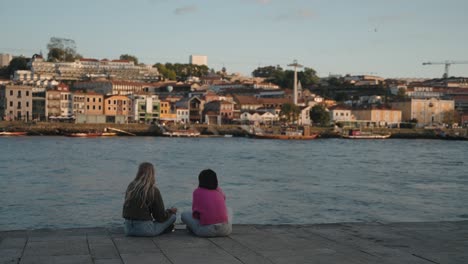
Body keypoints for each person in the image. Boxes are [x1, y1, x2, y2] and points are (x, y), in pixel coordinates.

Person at [122, 162, 177, 236]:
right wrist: (170, 211)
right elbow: (160, 217)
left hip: (128, 229)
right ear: (152, 174)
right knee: (173, 217)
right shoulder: (153, 190)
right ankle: (165, 229)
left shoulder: (131, 186)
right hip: (145, 230)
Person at [181, 169, 232, 237]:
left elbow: (196, 215)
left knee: (184, 214)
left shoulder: (197, 192)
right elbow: (223, 201)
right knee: (229, 209)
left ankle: (192, 229)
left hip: (206, 231)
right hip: (226, 230)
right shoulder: (219, 190)